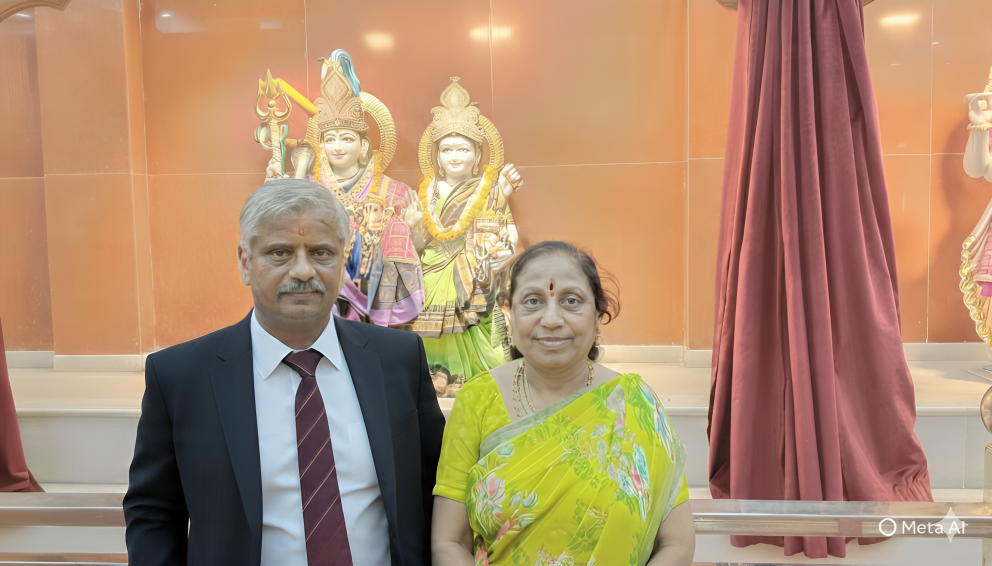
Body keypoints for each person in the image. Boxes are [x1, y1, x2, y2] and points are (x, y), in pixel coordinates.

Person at [124, 179, 446, 566]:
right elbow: (154, 512)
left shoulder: (398, 359)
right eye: (280, 253)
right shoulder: (181, 377)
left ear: (344, 260)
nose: (304, 270)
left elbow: (437, 490)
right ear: (245, 262)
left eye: (322, 253)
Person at [431, 241, 695, 566]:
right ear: (509, 316)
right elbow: (449, 541)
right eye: (533, 301)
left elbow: (676, 544)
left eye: (571, 301)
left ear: (598, 317)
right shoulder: (477, 401)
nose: (552, 319)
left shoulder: (636, 405)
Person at [261, 49, 425, 328]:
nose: (337, 147)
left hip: (377, 308)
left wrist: (411, 229)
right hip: (317, 299)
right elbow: (276, 235)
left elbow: (417, 251)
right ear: (320, 144)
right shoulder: (305, 189)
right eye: (330, 139)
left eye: (347, 138)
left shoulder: (395, 193)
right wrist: (273, 192)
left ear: (363, 146)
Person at [407, 78, 523, 397]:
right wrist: (414, 228)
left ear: (477, 154)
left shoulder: (488, 190)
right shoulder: (428, 190)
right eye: (446, 149)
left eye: (462, 148)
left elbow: (504, 231)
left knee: (469, 293)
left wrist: (502, 199)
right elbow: (419, 243)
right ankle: (435, 368)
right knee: (425, 291)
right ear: (436, 155)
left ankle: (465, 370)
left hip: (473, 263)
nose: (454, 156)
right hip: (433, 262)